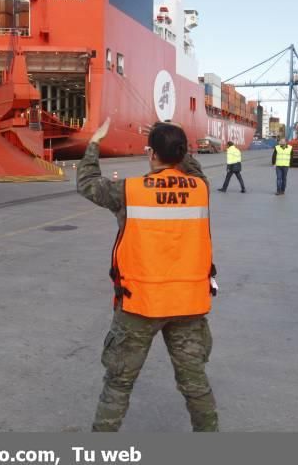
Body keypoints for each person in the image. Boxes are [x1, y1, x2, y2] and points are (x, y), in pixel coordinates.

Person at [77, 118, 219, 432]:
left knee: (118, 385)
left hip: (139, 304)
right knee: (195, 385)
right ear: (182, 154)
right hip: (189, 304)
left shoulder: (129, 191)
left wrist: (94, 143)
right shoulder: (201, 188)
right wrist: (176, 141)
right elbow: (192, 169)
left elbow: (87, 182)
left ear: (151, 154)